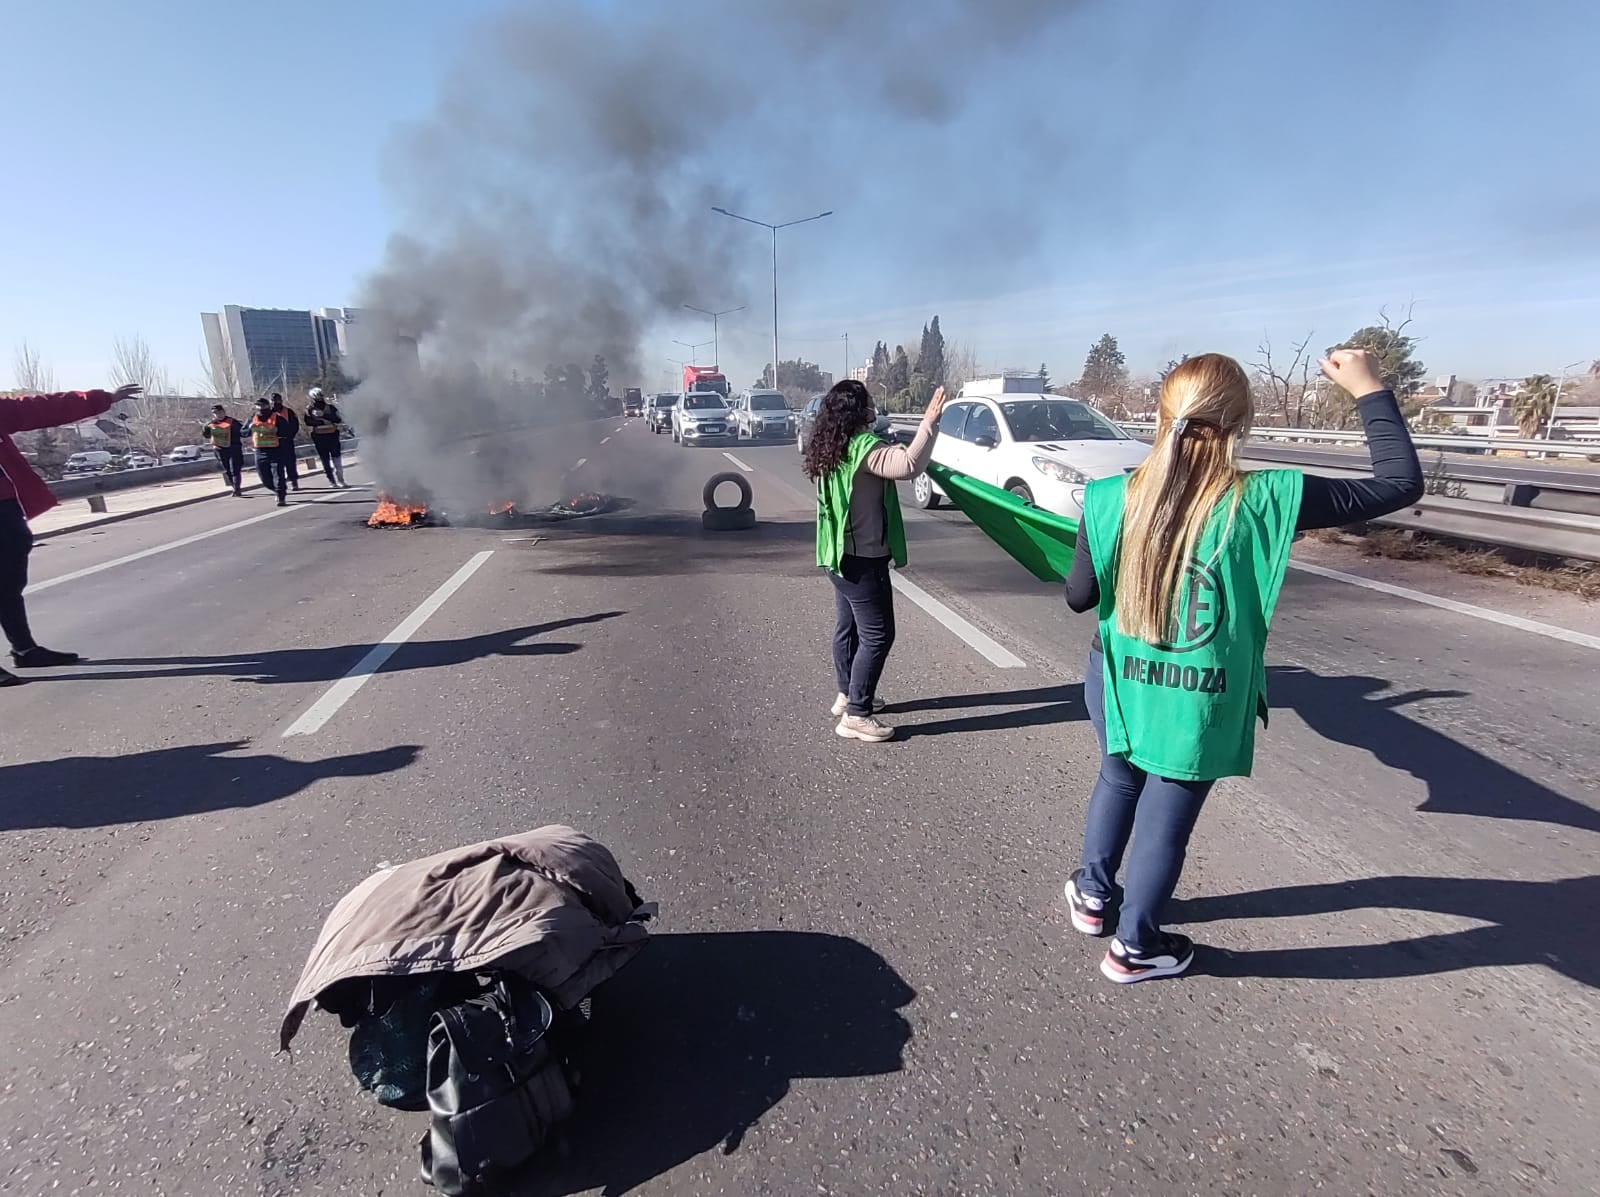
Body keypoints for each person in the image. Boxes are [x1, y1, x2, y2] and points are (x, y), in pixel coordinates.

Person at [1060, 348, 1423, 983]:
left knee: (1118, 780)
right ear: (1239, 424)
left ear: (1162, 415)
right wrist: (1368, 389)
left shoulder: (1108, 496)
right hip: (1198, 693)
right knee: (1166, 816)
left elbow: (1079, 598)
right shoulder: (1268, 498)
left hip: (1115, 678)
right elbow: (1398, 483)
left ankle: (1093, 896)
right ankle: (1135, 948)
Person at [805, 379, 946, 742]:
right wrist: (929, 422)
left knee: (847, 628)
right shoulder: (866, 448)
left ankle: (847, 694)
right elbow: (910, 465)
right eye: (869, 402)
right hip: (863, 559)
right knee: (878, 636)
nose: (874, 408)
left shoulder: (829, 445)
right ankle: (857, 714)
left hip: (835, 555)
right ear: (858, 411)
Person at [0, 382, 143, 687]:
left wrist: (101, 399)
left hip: (4, 505)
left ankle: (24, 649)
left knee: (8, 579)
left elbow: (39, 408)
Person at [250, 397, 294, 506]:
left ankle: (281, 496)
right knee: (264, 478)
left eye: (263, 405)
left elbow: (288, 431)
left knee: (278, 474)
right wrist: (249, 428)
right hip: (260, 451)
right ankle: (276, 490)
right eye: (258, 406)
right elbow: (243, 432)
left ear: (268, 406)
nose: (261, 408)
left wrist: (278, 431)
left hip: (276, 450)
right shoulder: (253, 418)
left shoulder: (277, 418)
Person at [303, 389, 347, 487]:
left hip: (332, 436)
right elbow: (308, 422)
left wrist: (325, 416)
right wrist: (321, 422)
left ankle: (341, 479)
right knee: (325, 460)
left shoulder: (330, 408)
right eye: (317, 397)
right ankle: (332, 481)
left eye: (320, 396)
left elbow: (338, 419)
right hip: (319, 438)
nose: (319, 398)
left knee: (337, 459)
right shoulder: (309, 409)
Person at [201, 404, 245, 495]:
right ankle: (234, 487)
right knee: (227, 470)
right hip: (219, 449)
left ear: (223, 412)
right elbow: (206, 435)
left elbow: (242, 432)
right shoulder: (210, 424)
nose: (218, 415)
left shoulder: (232, 422)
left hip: (234, 448)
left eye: (219, 412)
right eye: (215, 413)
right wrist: (206, 427)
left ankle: (237, 488)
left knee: (234, 469)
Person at [272, 393, 301, 491]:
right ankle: (281, 484)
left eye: (277, 400)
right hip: (273, 443)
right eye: (273, 401)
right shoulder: (269, 413)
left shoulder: (288, 412)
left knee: (290, 462)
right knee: (277, 465)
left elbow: (295, 425)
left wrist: (290, 436)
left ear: (281, 400)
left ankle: (294, 481)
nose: (275, 402)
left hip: (286, 441)